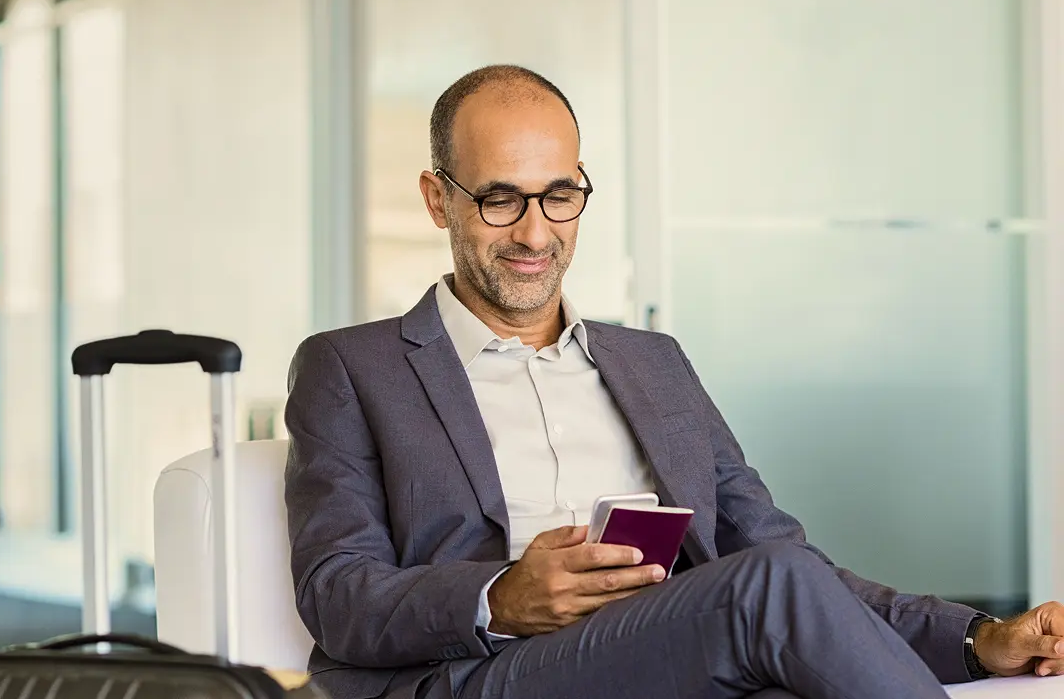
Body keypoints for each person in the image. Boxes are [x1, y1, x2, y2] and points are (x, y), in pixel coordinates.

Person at [282, 65, 1064, 699]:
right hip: (490, 674)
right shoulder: (352, 367)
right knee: (765, 590)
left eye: (559, 195)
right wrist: (500, 597)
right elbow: (338, 592)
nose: (534, 232)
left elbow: (787, 564)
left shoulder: (652, 363)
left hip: (680, 656)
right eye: (498, 199)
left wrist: (977, 638)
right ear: (437, 199)